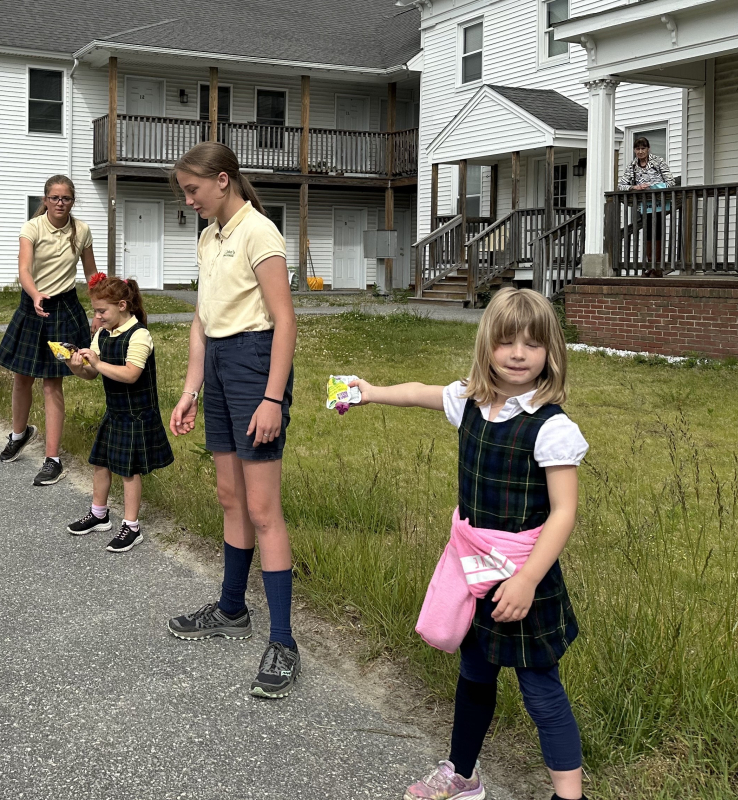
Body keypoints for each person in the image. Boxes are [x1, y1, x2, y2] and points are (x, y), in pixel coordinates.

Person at [349, 288, 587, 800]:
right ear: (487, 347)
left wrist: (526, 580)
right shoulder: (471, 402)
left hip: (525, 576)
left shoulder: (551, 427)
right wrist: (370, 391)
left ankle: (570, 795)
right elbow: (419, 392)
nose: (518, 354)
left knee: (541, 689)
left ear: (550, 352)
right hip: (473, 571)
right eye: (506, 342)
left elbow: (564, 511)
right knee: (474, 672)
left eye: (532, 344)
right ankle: (462, 776)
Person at [166, 142, 300, 700]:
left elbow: (286, 321)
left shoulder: (258, 232)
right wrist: (191, 388)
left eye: (193, 190)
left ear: (223, 180)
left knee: (263, 507)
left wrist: (272, 399)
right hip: (219, 365)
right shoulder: (208, 237)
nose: (189, 201)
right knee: (230, 496)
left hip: (254, 364)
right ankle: (230, 609)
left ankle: (284, 642)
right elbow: (202, 321)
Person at [0, 175, 98, 486]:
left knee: (53, 384)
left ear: (72, 201)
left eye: (66, 198)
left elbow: (91, 273)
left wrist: (99, 309)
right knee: (22, 377)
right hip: (32, 306)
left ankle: (52, 458)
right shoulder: (32, 228)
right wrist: (35, 293)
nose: (60, 203)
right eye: (54, 198)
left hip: (62, 311)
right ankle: (19, 434)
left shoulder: (81, 231)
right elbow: (24, 268)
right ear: (45, 199)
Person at [64, 273, 173, 553]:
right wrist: (75, 365)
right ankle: (99, 514)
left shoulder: (140, 335)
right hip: (115, 411)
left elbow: (130, 374)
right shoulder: (104, 334)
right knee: (101, 463)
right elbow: (91, 374)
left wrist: (98, 364)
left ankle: (131, 526)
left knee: (129, 470)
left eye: (102, 311)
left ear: (122, 305)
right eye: (96, 312)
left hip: (136, 414)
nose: (97, 318)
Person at [618, 136, 676, 274]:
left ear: (648, 149)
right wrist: (635, 187)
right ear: (634, 150)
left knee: (658, 231)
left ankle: (658, 266)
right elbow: (621, 186)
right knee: (648, 232)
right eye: (637, 149)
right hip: (643, 205)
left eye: (643, 148)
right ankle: (650, 264)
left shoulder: (658, 162)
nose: (640, 151)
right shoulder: (632, 166)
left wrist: (653, 187)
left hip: (660, 203)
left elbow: (671, 182)